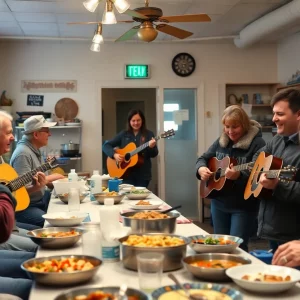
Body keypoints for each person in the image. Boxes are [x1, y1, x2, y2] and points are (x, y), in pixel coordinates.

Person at [195, 105, 265, 252]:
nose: (230, 131)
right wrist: (201, 168)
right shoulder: (222, 140)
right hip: (219, 203)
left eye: (235, 126)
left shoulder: (257, 143)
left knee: (237, 248)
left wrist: (239, 175)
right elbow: (203, 158)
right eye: (227, 126)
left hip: (243, 206)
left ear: (244, 125)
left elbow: (259, 173)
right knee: (219, 245)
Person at [252, 88, 300, 253]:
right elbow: (257, 158)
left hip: (294, 238)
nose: (274, 119)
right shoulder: (278, 139)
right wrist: (264, 171)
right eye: (273, 114)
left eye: (280, 114)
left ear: (298, 114)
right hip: (273, 229)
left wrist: (278, 186)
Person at [0, 110, 34, 299]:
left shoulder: (1, 161)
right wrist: (5, 191)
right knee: (32, 282)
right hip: (5, 232)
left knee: (41, 253)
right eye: (8, 132)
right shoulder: (22, 153)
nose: (13, 137)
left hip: (9, 227)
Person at [10, 115, 64, 227]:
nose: (50, 134)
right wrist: (50, 178)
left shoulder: (34, 150)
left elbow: (41, 181)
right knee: (54, 224)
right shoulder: (23, 154)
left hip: (39, 199)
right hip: (26, 207)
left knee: (66, 209)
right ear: (35, 134)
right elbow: (19, 192)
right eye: (47, 131)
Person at [102, 109, 158, 188]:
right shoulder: (123, 134)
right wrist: (114, 155)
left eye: (138, 120)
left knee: (140, 196)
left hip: (143, 175)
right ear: (129, 121)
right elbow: (105, 146)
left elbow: (154, 153)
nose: (136, 123)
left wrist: (151, 147)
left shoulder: (148, 134)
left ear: (142, 121)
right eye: (133, 120)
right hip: (125, 175)